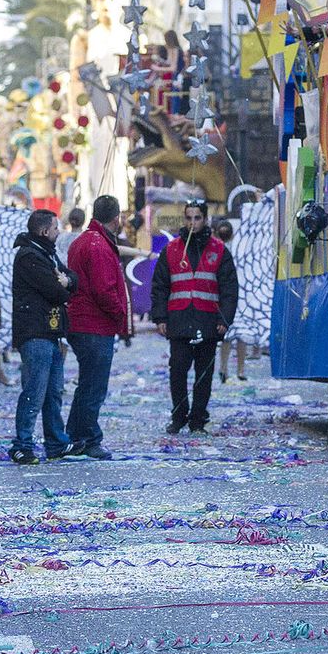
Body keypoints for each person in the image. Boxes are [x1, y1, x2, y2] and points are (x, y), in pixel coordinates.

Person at [150, 200, 238, 435]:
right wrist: (160, 317)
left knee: (204, 374)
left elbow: (229, 289)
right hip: (179, 320)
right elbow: (160, 285)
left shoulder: (219, 250)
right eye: (188, 218)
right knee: (177, 370)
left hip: (208, 320)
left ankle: (198, 419)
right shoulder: (172, 250)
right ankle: (179, 416)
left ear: (205, 219)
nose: (192, 223)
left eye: (197, 218)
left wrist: (224, 319)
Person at [8, 208, 84, 464]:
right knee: (34, 390)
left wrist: (67, 282)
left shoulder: (46, 253)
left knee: (53, 391)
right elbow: (57, 291)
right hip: (35, 330)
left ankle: (55, 442)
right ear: (44, 231)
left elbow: (71, 278)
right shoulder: (30, 256)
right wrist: (64, 284)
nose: (58, 231)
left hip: (51, 331)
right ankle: (22, 444)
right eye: (55, 228)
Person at [64, 195, 131, 459]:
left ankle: (75, 434)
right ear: (117, 218)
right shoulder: (99, 245)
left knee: (87, 383)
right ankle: (89, 437)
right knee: (94, 385)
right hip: (94, 324)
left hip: (81, 321)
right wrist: (119, 315)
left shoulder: (84, 241)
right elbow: (105, 290)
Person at [213, 219, 247, 383]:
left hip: (231, 296)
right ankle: (234, 369)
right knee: (235, 335)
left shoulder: (221, 250)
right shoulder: (222, 250)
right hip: (232, 297)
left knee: (233, 335)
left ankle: (226, 368)